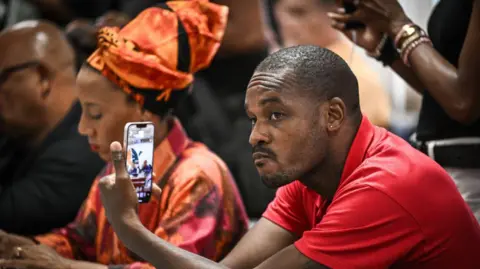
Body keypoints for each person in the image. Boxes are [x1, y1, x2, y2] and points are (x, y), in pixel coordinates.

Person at [35, 45, 479, 268]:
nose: (256, 137)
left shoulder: (383, 186)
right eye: (252, 119)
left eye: (276, 116)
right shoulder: (310, 176)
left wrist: (128, 227)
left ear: (333, 114)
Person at [0, 1, 248, 268]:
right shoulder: (117, 170)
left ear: (144, 111)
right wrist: (18, 246)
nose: (83, 128)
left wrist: (64, 266)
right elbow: (77, 240)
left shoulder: (198, 176)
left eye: (95, 114)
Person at [328, 0, 480, 222]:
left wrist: (399, 25)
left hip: (471, 182)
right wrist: (385, 47)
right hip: (445, 176)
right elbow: (441, 94)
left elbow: (464, 103)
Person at [0, 20, 104, 235]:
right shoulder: (22, 136)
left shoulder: (82, 151)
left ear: (42, 79)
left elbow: (7, 218)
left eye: (1, 79)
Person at [262, 0, 391, 128]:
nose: (286, 23)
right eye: (279, 14)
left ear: (335, 15)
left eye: (298, 13)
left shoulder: (347, 75)